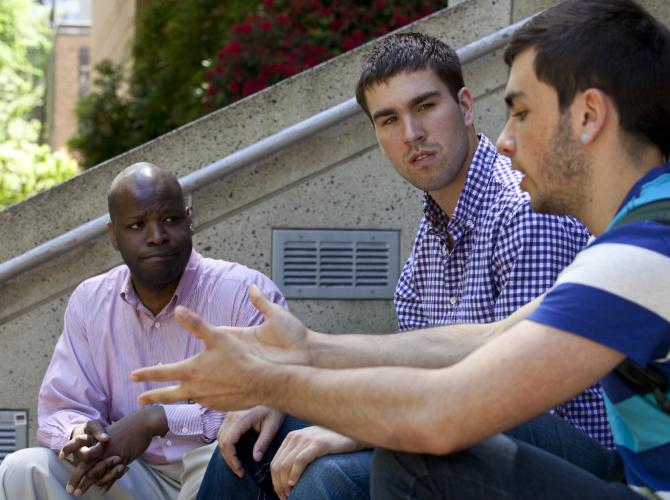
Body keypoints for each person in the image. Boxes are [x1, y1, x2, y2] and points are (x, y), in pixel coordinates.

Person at [133, 0, 670, 497]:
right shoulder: (651, 227)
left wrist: (270, 381)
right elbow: (492, 337)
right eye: (388, 119)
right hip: (630, 472)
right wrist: (308, 349)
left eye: (520, 112)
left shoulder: (648, 254)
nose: (507, 141)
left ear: (588, 115)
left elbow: (443, 415)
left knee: (413, 457)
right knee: (278, 432)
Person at [198, 32, 608, 500]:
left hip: (564, 456)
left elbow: (517, 390)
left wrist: (353, 428)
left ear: (467, 106)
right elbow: (415, 375)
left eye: (425, 106)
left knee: (327, 477)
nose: (411, 133)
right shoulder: (426, 246)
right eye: (389, 119)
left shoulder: (524, 213)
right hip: (462, 433)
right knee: (259, 432)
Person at [0, 163, 286, 500]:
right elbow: (61, 407)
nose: (156, 236)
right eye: (137, 225)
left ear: (189, 218)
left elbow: (274, 397)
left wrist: (156, 419)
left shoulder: (246, 293)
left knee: (234, 452)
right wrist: (79, 434)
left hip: (219, 467)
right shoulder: (91, 301)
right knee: (24, 469)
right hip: (129, 472)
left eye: (169, 220)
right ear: (113, 235)